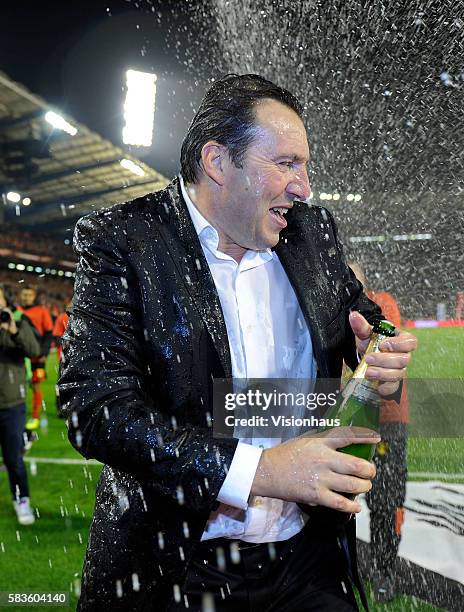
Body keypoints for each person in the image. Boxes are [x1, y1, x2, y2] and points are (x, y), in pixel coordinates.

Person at [59, 74, 417, 611]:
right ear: (218, 162)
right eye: (286, 164)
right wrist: (263, 471)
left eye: (305, 166)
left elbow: (358, 313)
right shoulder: (124, 240)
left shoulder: (310, 231)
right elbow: (96, 410)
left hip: (308, 559)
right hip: (179, 566)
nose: (304, 187)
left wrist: (374, 349)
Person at [348, 263, 409, 603]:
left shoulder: (381, 303)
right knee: (340, 499)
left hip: (386, 420)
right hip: (345, 421)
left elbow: (385, 352)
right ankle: (349, 568)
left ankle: (385, 571)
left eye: (351, 276)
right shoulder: (325, 309)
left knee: (385, 500)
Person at [0, 283, 41, 525]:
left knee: (13, 459)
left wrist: (13, 329)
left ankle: (21, 499)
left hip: (11, 404)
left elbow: (33, 349)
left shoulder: (17, 319)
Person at [18, 285, 53, 430]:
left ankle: (35, 416)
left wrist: (44, 354)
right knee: (18, 387)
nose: (26, 298)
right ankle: (18, 414)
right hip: (19, 358)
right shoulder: (17, 312)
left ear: (34, 296)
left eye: (29, 295)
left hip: (37, 359)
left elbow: (48, 334)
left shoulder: (42, 311)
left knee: (36, 387)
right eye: (24, 295)